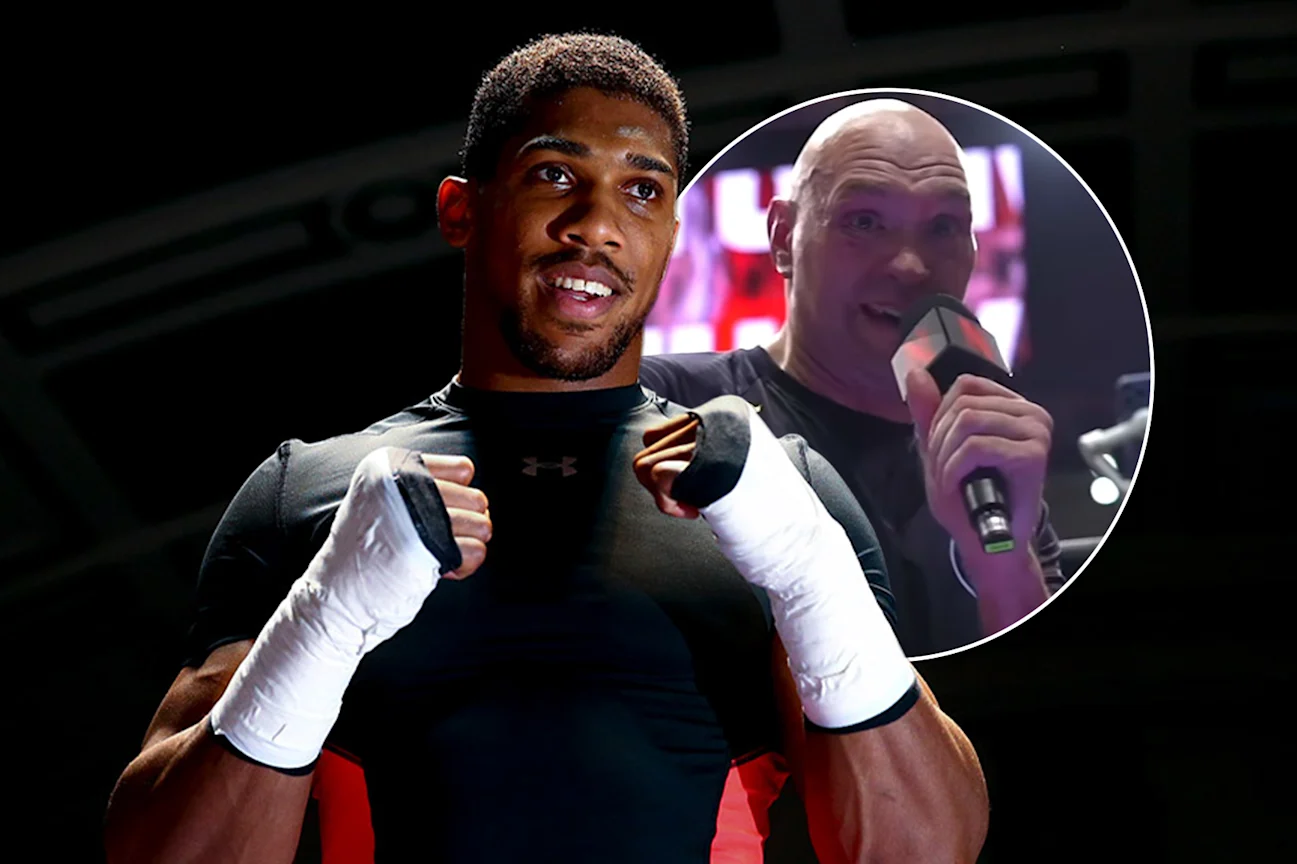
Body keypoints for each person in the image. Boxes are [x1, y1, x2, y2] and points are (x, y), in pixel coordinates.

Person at [102, 35, 986, 864]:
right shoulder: (308, 492)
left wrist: (805, 569)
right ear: (462, 208)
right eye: (555, 175)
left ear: (673, 232)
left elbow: (922, 850)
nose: (596, 225)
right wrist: (327, 621)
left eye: (643, 190)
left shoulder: (775, 493)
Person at [641, 99, 1067, 658]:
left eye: (943, 226)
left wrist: (1003, 565)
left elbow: (1041, 688)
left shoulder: (987, 463)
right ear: (782, 238)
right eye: (864, 222)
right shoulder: (669, 404)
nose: (911, 266)